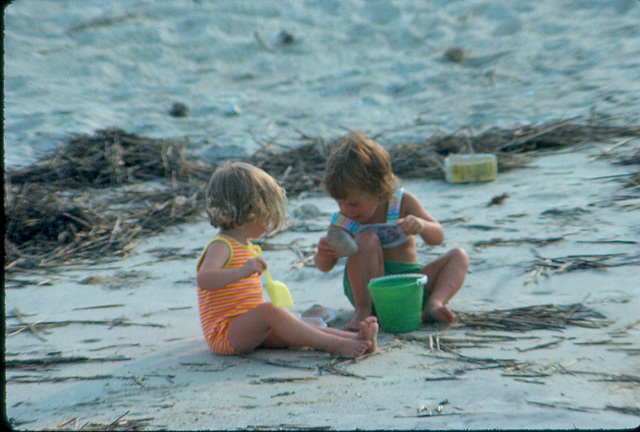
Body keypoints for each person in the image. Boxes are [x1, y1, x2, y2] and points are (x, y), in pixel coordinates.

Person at [196, 161, 378, 357]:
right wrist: (242, 271)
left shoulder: (244, 245)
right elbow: (204, 279)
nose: (269, 223)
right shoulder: (221, 245)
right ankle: (334, 346)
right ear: (249, 211)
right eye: (267, 215)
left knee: (298, 328)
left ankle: (354, 340)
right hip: (225, 333)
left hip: (247, 328)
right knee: (270, 311)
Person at [314, 132, 469, 330]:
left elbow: (437, 237)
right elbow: (324, 267)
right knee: (366, 239)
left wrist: (421, 225)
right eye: (339, 203)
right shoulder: (344, 221)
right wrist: (323, 253)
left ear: (378, 190)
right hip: (370, 294)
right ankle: (362, 313)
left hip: (410, 289)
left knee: (459, 256)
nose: (345, 210)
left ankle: (434, 304)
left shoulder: (402, 203)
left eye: (353, 203)